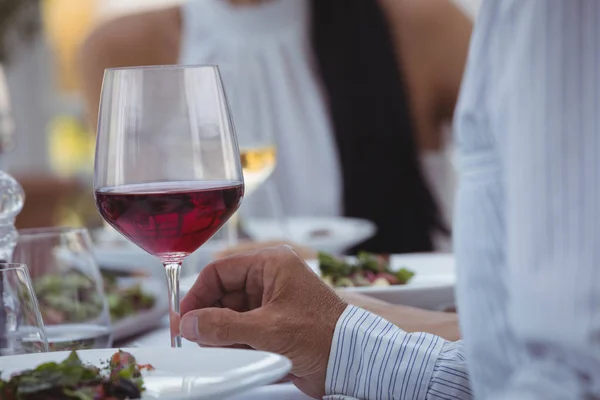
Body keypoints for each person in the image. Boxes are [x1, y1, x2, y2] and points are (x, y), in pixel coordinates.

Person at [180, 1, 600, 399]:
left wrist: (373, 321)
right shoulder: (133, 40)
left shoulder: (433, 25)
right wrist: (347, 336)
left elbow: (569, 368)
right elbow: (505, 370)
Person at [78, 0, 472, 254]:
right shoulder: (122, 49)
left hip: (393, 339)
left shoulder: (427, 28)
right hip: (203, 340)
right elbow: (138, 241)